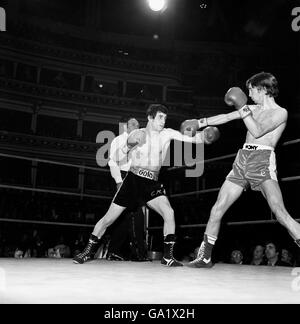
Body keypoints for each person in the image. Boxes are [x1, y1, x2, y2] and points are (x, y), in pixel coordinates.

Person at [73, 103, 220, 267]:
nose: (163, 121)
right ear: (150, 117)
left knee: (169, 213)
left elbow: (191, 138)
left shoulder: (167, 134)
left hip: (152, 182)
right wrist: (129, 144)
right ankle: (87, 252)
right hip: (133, 180)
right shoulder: (138, 133)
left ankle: (168, 257)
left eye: (165, 118)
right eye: (160, 117)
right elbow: (117, 157)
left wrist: (205, 136)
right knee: (108, 219)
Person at [181, 72, 300, 268]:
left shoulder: (281, 113)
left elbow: (257, 131)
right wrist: (200, 122)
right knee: (218, 207)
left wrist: (243, 107)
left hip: (262, 161)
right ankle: (205, 257)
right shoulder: (251, 108)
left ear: (262, 89)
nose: (249, 94)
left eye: (252, 89)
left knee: (279, 212)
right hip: (242, 159)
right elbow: (227, 116)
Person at [106, 116, 147, 261]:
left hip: (135, 177)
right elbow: (112, 162)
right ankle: (138, 254)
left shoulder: (140, 142)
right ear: (126, 127)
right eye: (133, 124)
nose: (137, 126)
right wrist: (118, 181)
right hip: (122, 177)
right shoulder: (119, 139)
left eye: (138, 124)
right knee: (135, 214)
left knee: (125, 217)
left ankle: (115, 251)